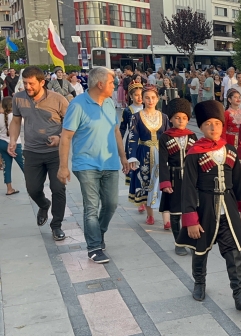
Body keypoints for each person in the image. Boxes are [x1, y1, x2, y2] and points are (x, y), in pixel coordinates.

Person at [174, 100, 241, 311]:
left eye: (217, 123)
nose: (213, 128)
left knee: (233, 254)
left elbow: (238, 180)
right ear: (200, 127)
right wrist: (191, 219)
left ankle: (239, 295)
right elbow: (188, 188)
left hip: (227, 210)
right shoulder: (194, 154)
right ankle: (199, 283)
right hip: (204, 210)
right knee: (200, 251)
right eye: (208, 124)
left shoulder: (229, 150)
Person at [58, 67, 129, 263]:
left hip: (110, 162)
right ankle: (94, 247)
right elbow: (66, 137)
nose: (114, 86)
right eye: (111, 82)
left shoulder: (109, 103)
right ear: (100, 84)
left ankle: (98, 232)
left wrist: (123, 157)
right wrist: (63, 166)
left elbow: (116, 131)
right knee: (91, 206)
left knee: (111, 204)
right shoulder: (77, 105)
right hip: (86, 163)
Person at [8, 65, 68, 240]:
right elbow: (16, 122)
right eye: (25, 83)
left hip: (56, 153)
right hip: (32, 151)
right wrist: (13, 140)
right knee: (33, 189)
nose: (27, 87)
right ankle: (43, 204)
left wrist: (59, 136)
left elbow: (72, 124)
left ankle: (56, 225)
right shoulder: (18, 98)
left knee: (58, 189)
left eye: (31, 84)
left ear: (42, 82)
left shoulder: (58, 99)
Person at [126, 85, 170, 225]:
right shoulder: (136, 117)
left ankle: (166, 218)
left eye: (153, 97)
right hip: (143, 153)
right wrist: (131, 156)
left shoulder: (164, 117)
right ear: (143, 99)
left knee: (163, 183)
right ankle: (150, 214)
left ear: (157, 99)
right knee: (147, 183)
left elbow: (169, 137)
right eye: (147, 97)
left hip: (162, 154)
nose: (150, 100)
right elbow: (133, 137)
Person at [159, 98, 197, 256]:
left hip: (190, 181)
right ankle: (178, 243)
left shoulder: (193, 136)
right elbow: (162, 161)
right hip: (173, 180)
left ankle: (190, 240)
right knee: (175, 215)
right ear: (171, 119)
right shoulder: (165, 137)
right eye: (177, 117)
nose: (181, 121)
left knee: (189, 212)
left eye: (184, 118)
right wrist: (165, 182)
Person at [0, 97, 23, 195]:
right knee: (25, 166)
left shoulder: (0, 116)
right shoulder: (15, 116)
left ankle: (9, 188)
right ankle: (33, 187)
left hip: (2, 143)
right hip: (15, 144)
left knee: (6, 166)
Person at [119, 80, 144, 151]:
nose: (140, 97)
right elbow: (122, 128)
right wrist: (118, 144)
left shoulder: (148, 108)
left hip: (146, 142)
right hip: (132, 142)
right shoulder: (127, 111)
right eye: (136, 95)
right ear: (130, 96)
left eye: (141, 94)